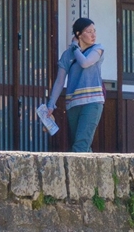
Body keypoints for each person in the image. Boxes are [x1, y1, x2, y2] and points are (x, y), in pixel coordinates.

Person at [45, 18, 106, 153]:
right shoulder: (67, 55)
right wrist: (51, 104)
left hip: (93, 102)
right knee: (80, 144)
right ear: (78, 34)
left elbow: (85, 63)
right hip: (73, 104)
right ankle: (91, 173)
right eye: (89, 32)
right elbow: (60, 81)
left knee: (80, 145)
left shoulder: (98, 49)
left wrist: (74, 47)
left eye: (94, 31)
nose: (93, 35)